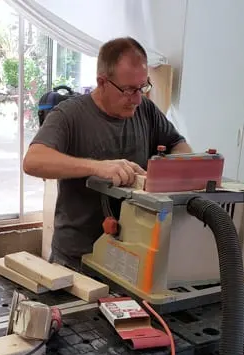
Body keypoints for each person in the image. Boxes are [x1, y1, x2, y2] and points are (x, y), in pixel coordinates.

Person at [24, 37, 192, 271]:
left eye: (143, 87)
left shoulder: (145, 110)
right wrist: (97, 167)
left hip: (131, 256)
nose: (136, 99)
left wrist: (170, 174)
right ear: (102, 82)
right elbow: (33, 161)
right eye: (128, 89)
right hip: (77, 259)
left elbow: (178, 144)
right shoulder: (69, 114)